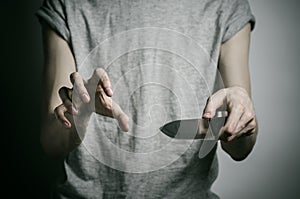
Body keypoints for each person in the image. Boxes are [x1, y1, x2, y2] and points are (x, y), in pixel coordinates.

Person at [36, 0, 258, 198]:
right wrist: (79, 118)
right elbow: (52, 143)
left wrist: (239, 118)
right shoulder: (67, 5)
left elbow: (241, 149)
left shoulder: (227, 5)